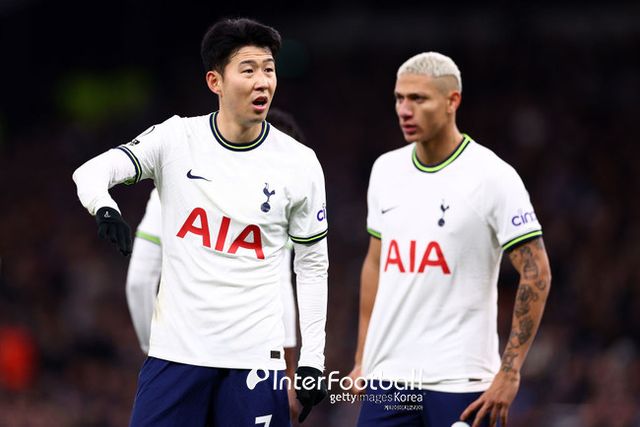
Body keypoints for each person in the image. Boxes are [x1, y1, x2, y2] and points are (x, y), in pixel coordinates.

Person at [72, 18, 328, 427]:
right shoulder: (176, 140)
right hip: (177, 356)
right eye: (248, 70)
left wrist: (313, 359)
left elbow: (312, 265)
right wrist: (104, 207)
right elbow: (91, 172)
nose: (262, 81)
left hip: (255, 361)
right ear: (215, 81)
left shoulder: (299, 162)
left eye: (268, 69)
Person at [348, 52, 552, 427]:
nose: (404, 110)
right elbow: (375, 264)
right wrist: (363, 356)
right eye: (399, 98)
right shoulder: (385, 170)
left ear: (451, 101)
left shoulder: (492, 177)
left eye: (418, 99)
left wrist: (510, 372)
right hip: (389, 378)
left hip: (462, 380)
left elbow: (537, 271)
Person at [124, 108, 305, 419]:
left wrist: (154, 347)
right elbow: (280, 289)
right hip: (251, 359)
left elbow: (139, 281)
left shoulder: (173, 186)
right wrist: (288, 370)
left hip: (182, 352)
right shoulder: (276, 203)